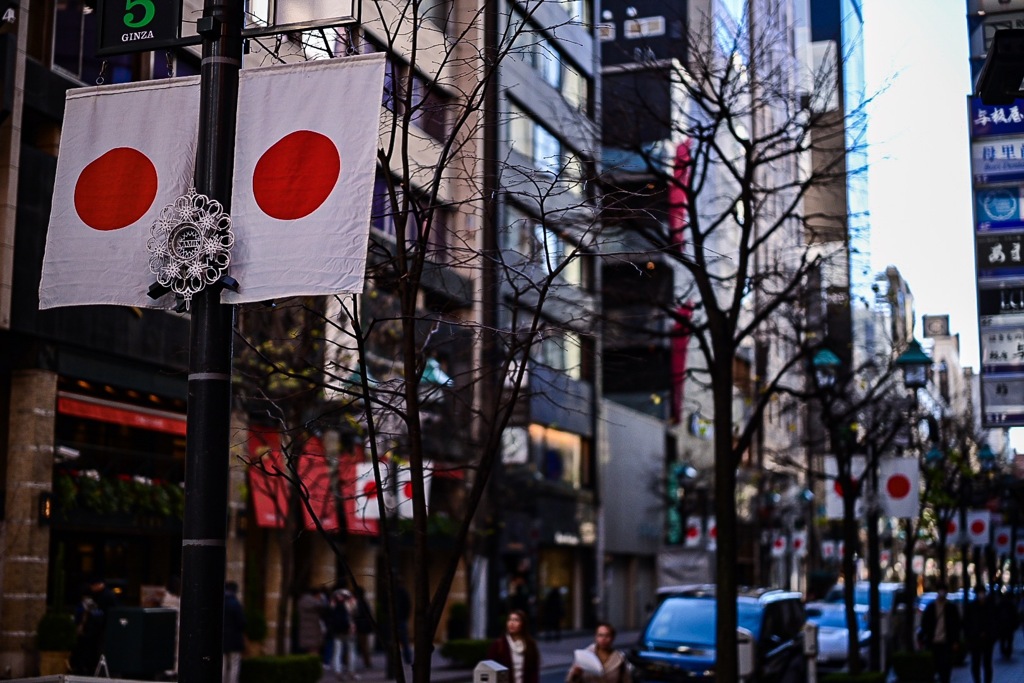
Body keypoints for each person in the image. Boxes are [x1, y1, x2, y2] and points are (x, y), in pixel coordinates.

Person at [919, 582, 963, 683]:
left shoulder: (951, 608)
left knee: (946, 668)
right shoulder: (931, 607)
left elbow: (956, 625)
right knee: (936, 666)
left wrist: (955, 641)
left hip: (947, 642)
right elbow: (925, 624)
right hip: (934, 641)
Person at [566, 622, 632, 683]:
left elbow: (627, 680)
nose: (603, 639)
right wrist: (576, 674)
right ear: (596, 637)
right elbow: (570, 680)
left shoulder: (620, 659)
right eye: (600, 635)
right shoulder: (585, 655)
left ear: (612, 638)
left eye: (607, 636)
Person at [486, 610, 540, 683]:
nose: (512, 623)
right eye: (509, 620)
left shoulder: (530, 645)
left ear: (523, 624)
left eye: (516, 620)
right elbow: (489, 669)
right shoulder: (498, 645)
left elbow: (534, 672)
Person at [965, 583, 998, 683]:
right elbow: (967, 623)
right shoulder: (972, 607)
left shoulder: (990, 606)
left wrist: (991, 635)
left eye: (982, 593)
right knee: (976, 663)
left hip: (988, 640)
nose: (981, 595)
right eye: (979, 593)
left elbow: (994, 621)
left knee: (987, 663)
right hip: (975, 640)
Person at [328, 589, 356, 679]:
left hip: (337, 631)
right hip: (349, 630)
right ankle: (351, 671)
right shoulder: (349, 598)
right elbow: (355, 612)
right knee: (351, 651)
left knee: (337, 652)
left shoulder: (334, 598)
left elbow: (329, 613)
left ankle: (338, 671)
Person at [223, 581, 246, 683]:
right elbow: (242, 622)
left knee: (222, 663)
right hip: (234, 640)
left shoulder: (221, 603)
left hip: (222, 639)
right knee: (234, 664)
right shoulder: (235, 603)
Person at [297, 586, 326, 655]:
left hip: (305, 629)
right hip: (313, 630)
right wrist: (322, 598)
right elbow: (323, 606)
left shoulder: (302, 601)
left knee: (308, 649)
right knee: (314, 649)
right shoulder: (313, 602)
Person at [353, 586, 374, 670]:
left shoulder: (357, 602)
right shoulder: (364, 602)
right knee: (364, 645)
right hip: (363, 626)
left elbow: (357, 614)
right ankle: (367, 662)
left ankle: (367, 662)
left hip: (360, 626)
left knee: (362, 645)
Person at [996, 586, 1019, 659]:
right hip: (1008, 626)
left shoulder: (1001, 604)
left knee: (1003, 640)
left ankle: (1005, 652)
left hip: (1004, 626)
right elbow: (1015, 615)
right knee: (1008, 640)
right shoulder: (1011, 605)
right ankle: (1007, 652)